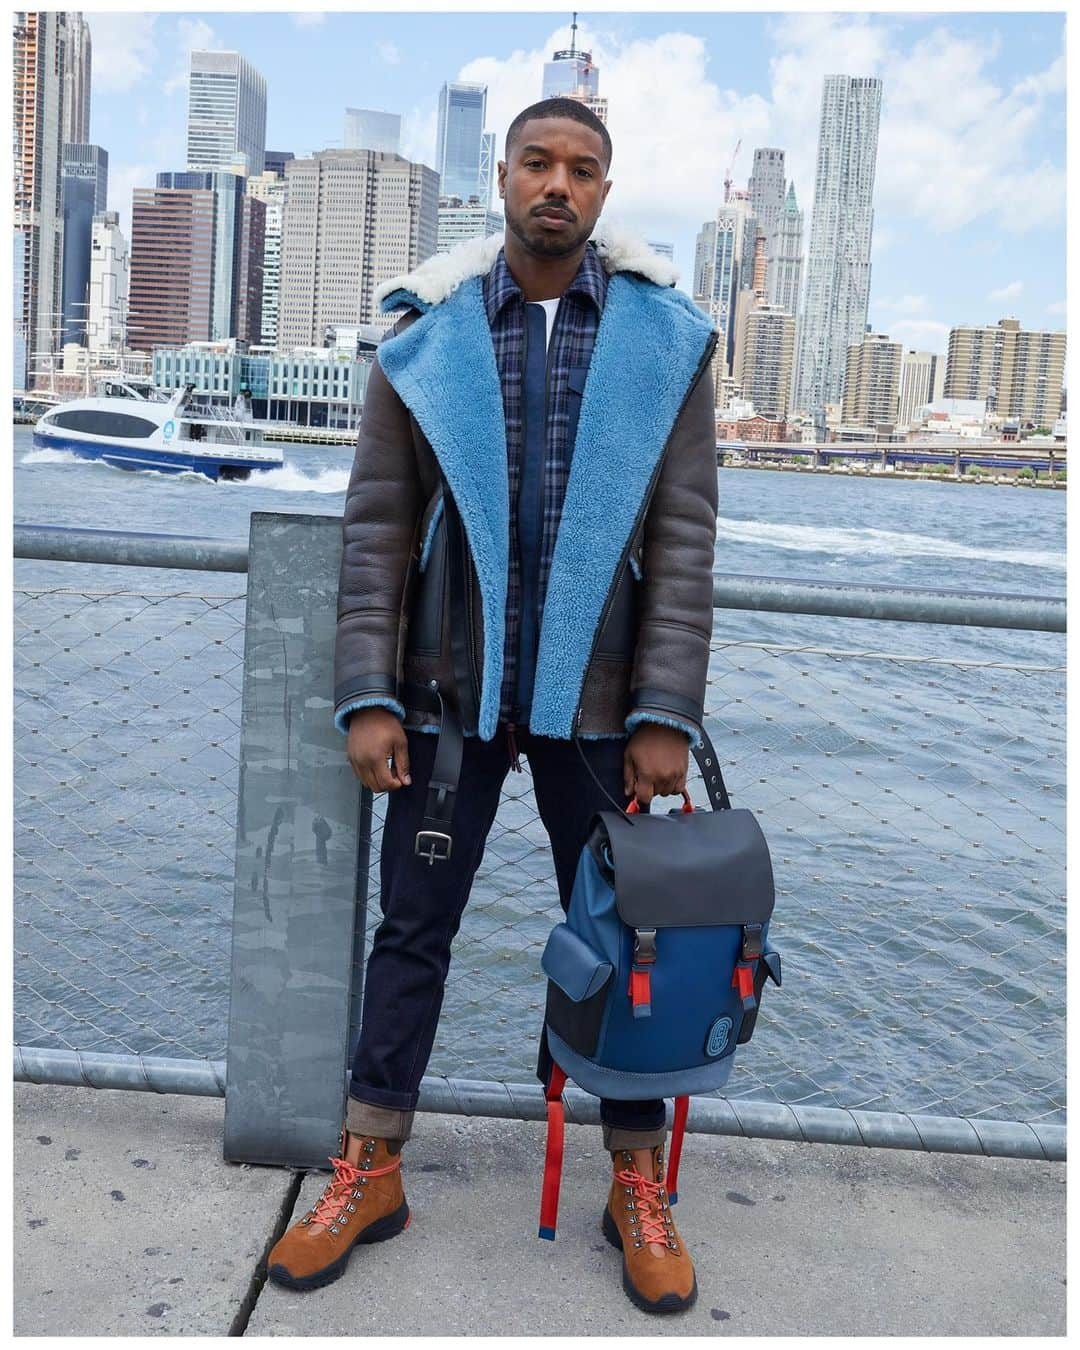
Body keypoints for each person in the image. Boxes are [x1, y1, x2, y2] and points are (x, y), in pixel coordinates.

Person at [267, 97, 718, 1315]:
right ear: (503, 177)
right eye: (538, 162)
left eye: (582, 168)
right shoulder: (430, 334)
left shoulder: (666, 342)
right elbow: (374, 530)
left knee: (631, 946)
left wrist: (667, 711)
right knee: (411, 932)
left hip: (603, 706)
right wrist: (367, 693)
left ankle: (635, 1184)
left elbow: (683, 539)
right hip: (444, 697)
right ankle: (370, 1168)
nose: (557, 185)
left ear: (605, 195)